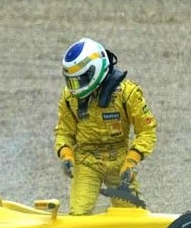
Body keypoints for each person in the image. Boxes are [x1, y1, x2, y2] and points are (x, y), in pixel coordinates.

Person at [54, 37, 157, 215]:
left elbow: (147, 131)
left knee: (132, 217)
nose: (75, 87)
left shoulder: (127, 93)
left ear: (94, 71)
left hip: (120, 162)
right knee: (78, 215)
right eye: (71, 82)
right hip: (86, 161)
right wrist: (66, 154)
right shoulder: (70, 98)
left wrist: (131, 160)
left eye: (80, 80)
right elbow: (64, 131)